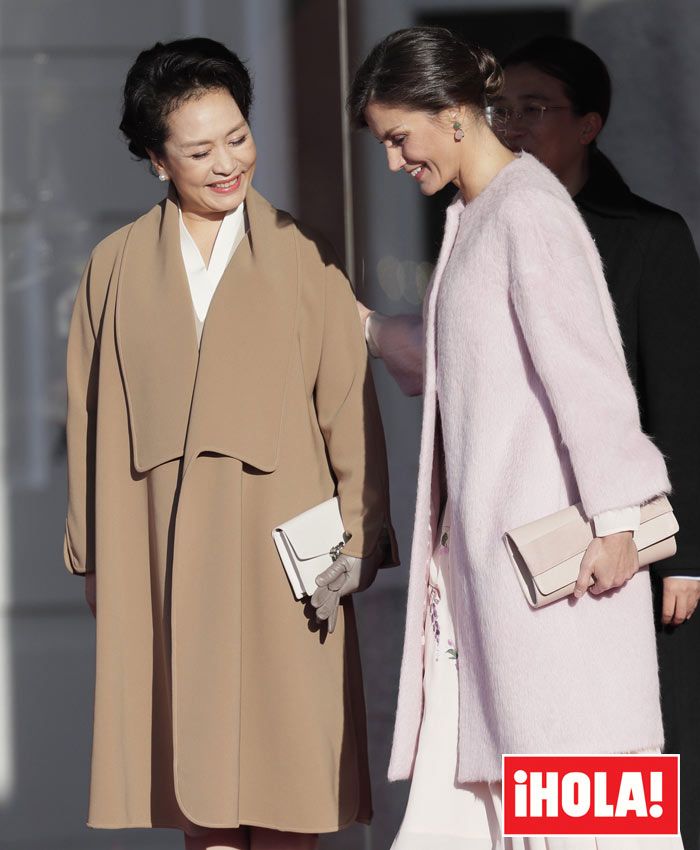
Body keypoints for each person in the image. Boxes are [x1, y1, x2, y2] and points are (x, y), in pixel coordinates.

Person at [348, 26, 683, 848]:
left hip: (559, 590)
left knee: (576, 821)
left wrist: (618, 523)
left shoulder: (527, 210)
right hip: (499, 596)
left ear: (451, 114)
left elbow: (591, 378)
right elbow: (482, 365)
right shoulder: (485, 212)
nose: (395, 162)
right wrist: (357, 326)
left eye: (399, 138)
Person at [64, 37, 398, 850]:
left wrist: (356, 540)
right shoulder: (112, 268)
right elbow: (91, 419)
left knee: (292, 796)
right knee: (202, 802)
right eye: (200, 149)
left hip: (292, 563)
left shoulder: (302, 252)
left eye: (238, 137)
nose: (227, 163)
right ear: (154, 159)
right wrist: (96, 556)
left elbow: (349, 408)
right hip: (167, 562)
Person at [494, 37, 700, 850]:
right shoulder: (482, 227)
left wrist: (685, 551)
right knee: (549, 753)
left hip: (634, 545)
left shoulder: (649, 237)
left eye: (535, 108)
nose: (512, 125)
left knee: (640, 751)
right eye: (500, 109)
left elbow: (682, 400)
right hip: (527, 535)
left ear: (589, 124)